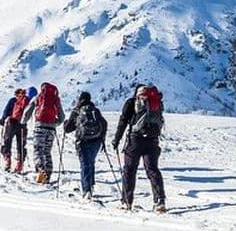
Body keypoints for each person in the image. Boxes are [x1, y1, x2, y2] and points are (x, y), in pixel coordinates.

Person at [113, 85, 166, 213]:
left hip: (135, 140)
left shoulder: (132, 102)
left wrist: (117, 139)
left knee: (129, 170)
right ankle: (159, 201)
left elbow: (123, 121)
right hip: (153, 139)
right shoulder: (156, 103)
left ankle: (127, 201)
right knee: (152, 169)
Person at [63, 91, 108, 200]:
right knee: (91, 162)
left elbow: (68, 129)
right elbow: (104, 123)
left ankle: (86, 190)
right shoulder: (95, 110)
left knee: (84, 164)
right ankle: (90, 185)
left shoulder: (77, 111)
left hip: (83, 141)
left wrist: (65, 124)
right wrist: (102, 138)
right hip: (96, 140)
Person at [22, 82, 65, 184]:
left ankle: (41, 170)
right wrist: (56, 123)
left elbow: (28, 111)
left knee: (38, 150)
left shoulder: (38, 97)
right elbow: (62, 117)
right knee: (47, 151)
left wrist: (23, 121)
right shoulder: (55, 99)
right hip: (51, 129)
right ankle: (48, 173)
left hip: (39, 127)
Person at [0, 88, 29, 172]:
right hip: (22, 124)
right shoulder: (27, 101)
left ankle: (7, 160)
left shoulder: (12, 100)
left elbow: (6, 111)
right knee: (21, 145)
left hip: (11, 123)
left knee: (7, 141)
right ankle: (20, 164)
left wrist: (2, 119)